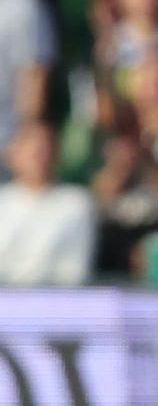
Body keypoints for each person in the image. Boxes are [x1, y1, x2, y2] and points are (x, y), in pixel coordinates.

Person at [0, 122, 98, 286]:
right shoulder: (3, 201)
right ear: (13, 155)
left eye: (45, 150)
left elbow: (75, 271)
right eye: (35, 152)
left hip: (57, 298)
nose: (41, 158)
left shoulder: (77, 203)